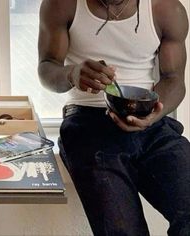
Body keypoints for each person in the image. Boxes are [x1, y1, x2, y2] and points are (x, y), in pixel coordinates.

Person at [37, 0, 190, 235]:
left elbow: (175, 80)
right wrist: (72, 73)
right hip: (87, 121)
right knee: (122, 230)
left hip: (152, 121)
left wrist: (153, 113)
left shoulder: (167, 9)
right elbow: (47, 67)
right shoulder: (62, 4)